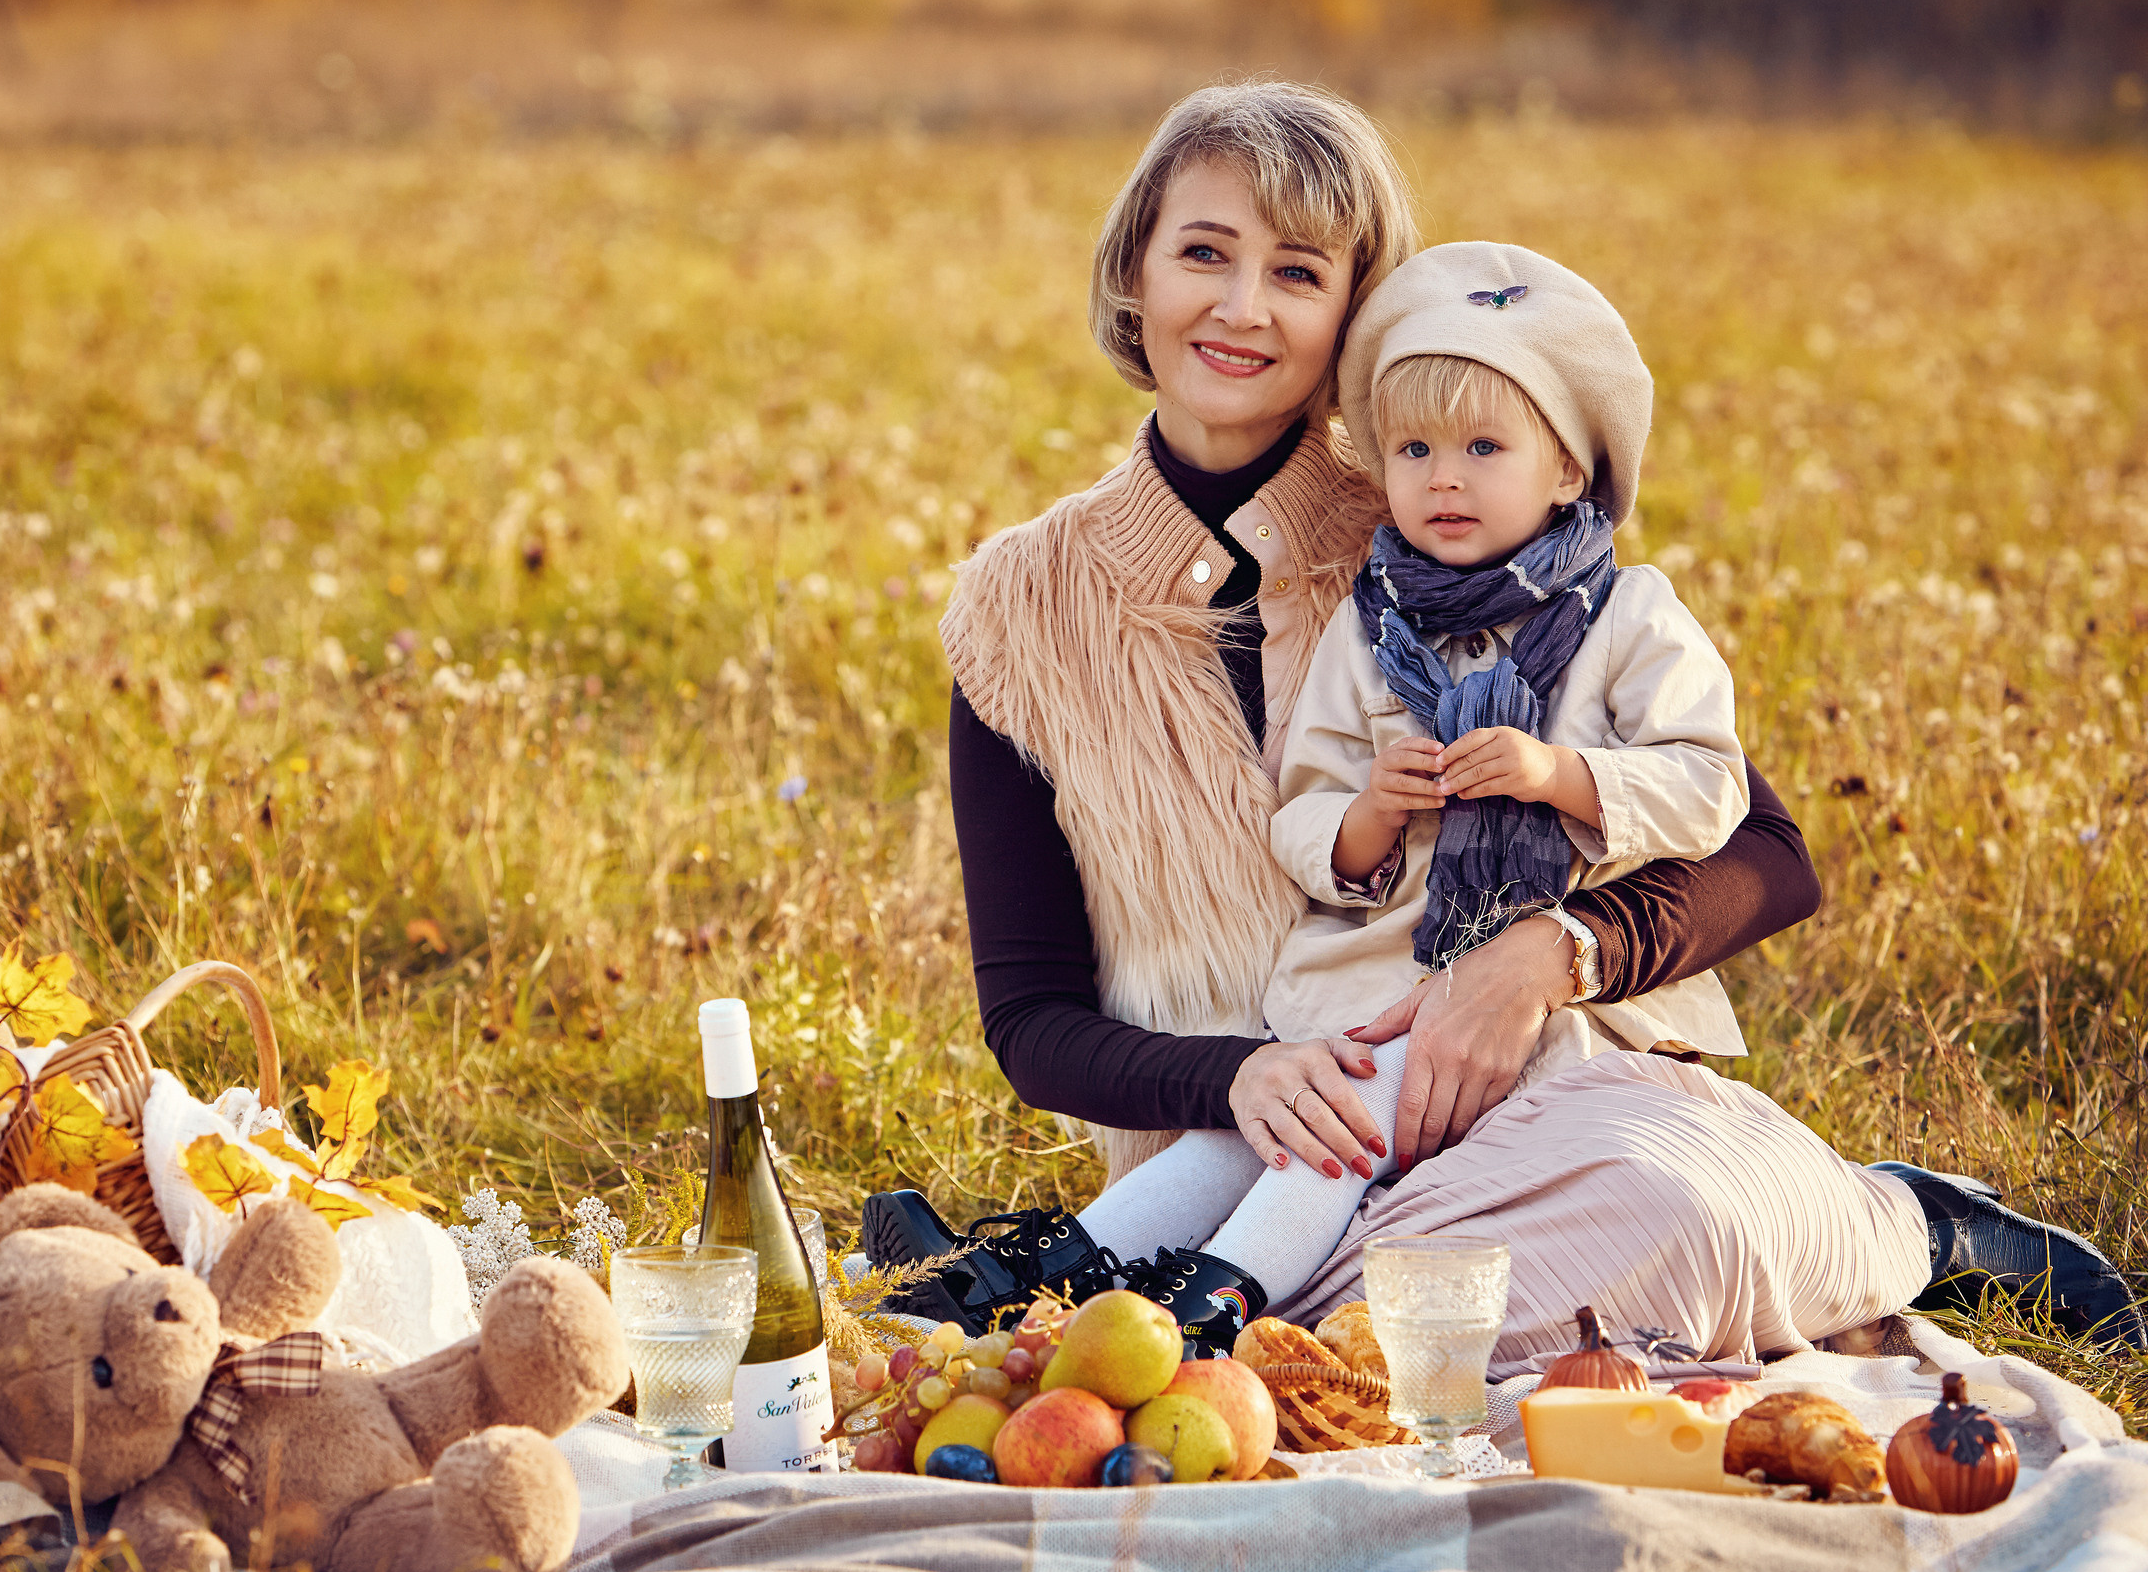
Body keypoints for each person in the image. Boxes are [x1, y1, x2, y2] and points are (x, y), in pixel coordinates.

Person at [862, 81, 2143, 1365]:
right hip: (1240, 1165)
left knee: (1667, 1220)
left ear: (1356, 323)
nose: (1243, 307)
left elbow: (1768, 852)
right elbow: (1030, 1021)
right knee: (1375, 1344)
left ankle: (1906, 1219)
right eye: (1203, 253)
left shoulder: (1462, 517)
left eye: (1298, 274)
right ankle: (1146, 1294)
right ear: (1134, 272)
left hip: (1525, 1118)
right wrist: (1237, 1077)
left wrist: (1545, 957)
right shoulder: (1018, 609)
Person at [1060, 240, 1759, 1348]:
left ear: (1568, 469)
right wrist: (1370, 816)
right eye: (1414, 448)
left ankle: (1220, 1302)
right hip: (1373, 981)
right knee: (1278, 1112)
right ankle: (1066, 1274)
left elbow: (1713, 787)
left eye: (1485, 446)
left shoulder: (1631, 618)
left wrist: (1561, 775)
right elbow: (1302, 810)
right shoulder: (1372, 624)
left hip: (1558, 1014)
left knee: (1344, 1115)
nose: (1444, 475)